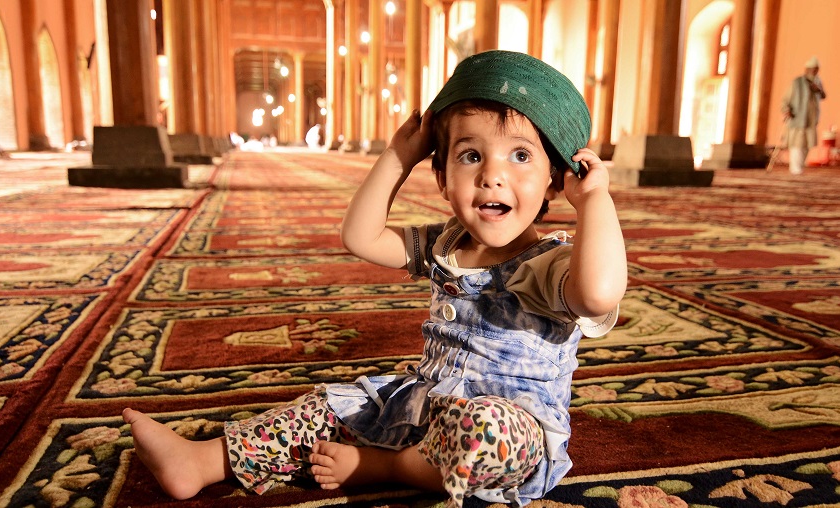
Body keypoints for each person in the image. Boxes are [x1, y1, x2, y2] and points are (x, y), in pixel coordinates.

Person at [122, 50, 627, 507]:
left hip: (509, 429)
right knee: (329, 406)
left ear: (554, 181)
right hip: (424, 405)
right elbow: (360, 237)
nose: (492, 176)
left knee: (484, 432)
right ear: (443, 179)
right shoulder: (446, 244)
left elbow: (598, 294)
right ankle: (205, 460)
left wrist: (594, 202)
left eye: (520, 156)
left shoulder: (548, 264)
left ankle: (387, 467)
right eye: (471, 156)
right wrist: (398, 157)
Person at [781, 56, 827, 175]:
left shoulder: (818, 82)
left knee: (807, 144)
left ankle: (800, 166)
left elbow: (823, 95)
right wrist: (786, 109)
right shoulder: (797, 82)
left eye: (816, 69)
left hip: (811, 120)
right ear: (807, 69)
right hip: (798, 118)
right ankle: (795, 168)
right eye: (812, 69)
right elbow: (786, 99)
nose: (814, 71)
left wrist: (818, 90)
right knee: (797, 144)